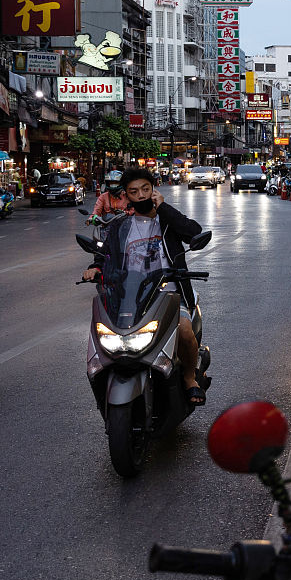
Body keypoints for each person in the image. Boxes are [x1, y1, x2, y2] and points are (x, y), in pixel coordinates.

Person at [80, 168, 207, 404]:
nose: (141, 195)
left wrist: (164, 208)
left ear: (153, 189)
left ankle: (190, 378)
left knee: (185, 331)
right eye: (134, 191)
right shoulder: (121, 225)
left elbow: (193, 232)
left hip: (170, 291)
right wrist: (95, 268)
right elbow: (106, 254)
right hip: (133, 294)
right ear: (126, 195)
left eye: (145, 189)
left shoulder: (167, 220)